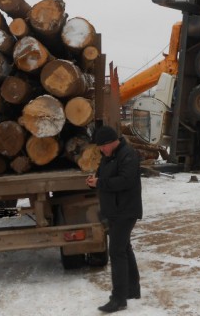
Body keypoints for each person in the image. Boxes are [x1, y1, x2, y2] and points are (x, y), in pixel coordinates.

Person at [86, 125, 142, 313]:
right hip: (114, 210)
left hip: (126, 211)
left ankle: (118, 299)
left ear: (111, 142)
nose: (101, 149)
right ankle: (132, 290)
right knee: (124, 248)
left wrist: (100, 183)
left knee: (117, 251)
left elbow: (125, 181)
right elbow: (105, 175)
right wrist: (95, 180)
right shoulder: (109, 156)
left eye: (103, 146)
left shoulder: (128, 155)